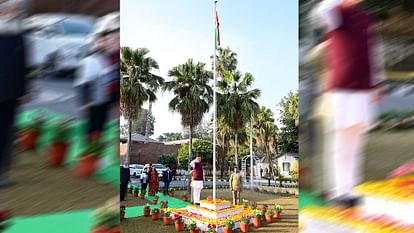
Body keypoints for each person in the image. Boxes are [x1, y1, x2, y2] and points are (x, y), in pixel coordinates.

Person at [312, 0, 385, 206]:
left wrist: (377, 82)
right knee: (340, 143)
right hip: (340, 90)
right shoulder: (335, 13)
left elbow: (374, 52)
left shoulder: (366, 18)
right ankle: (338, 192)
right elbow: (319, 11)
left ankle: (349, 190)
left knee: (356, 143)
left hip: (362, 90)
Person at [0, 0, 28, 188]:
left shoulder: (20, 37)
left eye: (17, 10)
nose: (13, 13)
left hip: (11, 97)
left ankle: (2, 173)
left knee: (6, 135)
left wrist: (22, 92)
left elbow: (23, 67)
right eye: (10, 10)